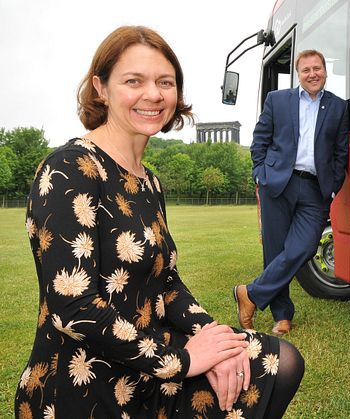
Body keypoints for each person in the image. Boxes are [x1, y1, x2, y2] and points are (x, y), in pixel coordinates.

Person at [16, 26, 303, 418]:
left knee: (278, 360)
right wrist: (182, 360)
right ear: (101, 88)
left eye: (165, 82)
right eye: (134, 81)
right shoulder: (70, 168)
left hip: (150, 360)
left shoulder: (149, 181)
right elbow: (72, 308)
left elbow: (164, 280)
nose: (153, 94)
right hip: (85, 381)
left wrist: (213, 338)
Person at [233, 50, 349, 335]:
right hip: (278, 183)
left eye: (317, 68)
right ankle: (282, 315)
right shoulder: (278, 100)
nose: (312, 74)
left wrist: (332, 187)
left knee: (305, 247)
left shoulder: (338, 107)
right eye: (306, 69)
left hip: (315, 188)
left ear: (325, 70)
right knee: (275, 252)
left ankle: (250, 293)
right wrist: (262, 175)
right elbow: (259, 141)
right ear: (298, 74)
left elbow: (340, 151)